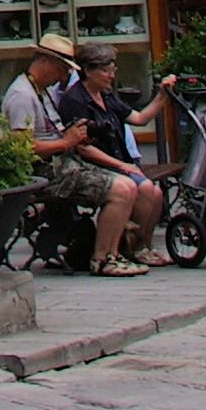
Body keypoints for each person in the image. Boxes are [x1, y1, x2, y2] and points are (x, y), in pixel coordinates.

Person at [36, 43, 164, 270]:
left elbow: (140, 118)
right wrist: (124, 166)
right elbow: (82, 147)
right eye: (106, 70)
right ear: (88, 70)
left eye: (113, 69)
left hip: (117, 162)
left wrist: (163, 96)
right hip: (95, 164)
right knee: (136, 189)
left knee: (154, 192)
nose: (111, 76)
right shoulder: (74, 100)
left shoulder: (106, 95)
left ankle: (137, 247)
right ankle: (107, 255)